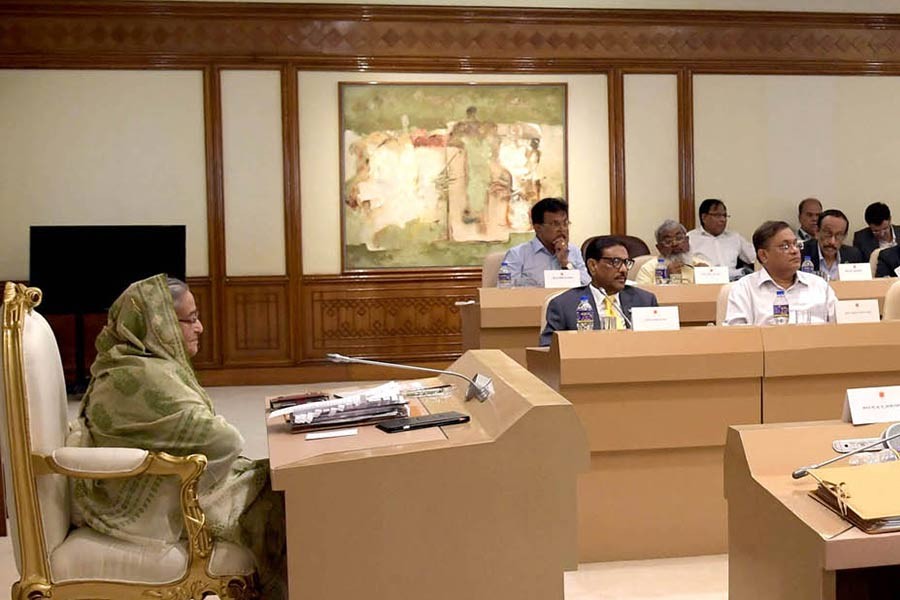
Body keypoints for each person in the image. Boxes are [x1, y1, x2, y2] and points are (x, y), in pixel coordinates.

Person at [67, 274, 287, 599]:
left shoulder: (123, 364)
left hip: (152, 484)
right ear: (160, 325)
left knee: (281, 481)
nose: (200, 328)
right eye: (192, 319)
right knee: (287, 501)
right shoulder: (142, 378)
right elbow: (225, 441)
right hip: (149, 508)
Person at [540, 236, 658, 345]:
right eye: (616, 262)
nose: (623, 269)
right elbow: (548, 351)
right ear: (592, 265)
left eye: (626, 263)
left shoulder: (645, 301)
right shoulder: (564, 305)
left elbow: (659, 343)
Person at [725, 221, 836, 326]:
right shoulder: (745, 289)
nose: (795, 251)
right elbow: (737, 335)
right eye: (785, 246)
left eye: (796, 244)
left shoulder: (819, 285)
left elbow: (841, 324)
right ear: (763, 255)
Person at [501, 197, 590, 286]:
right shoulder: (518, 254)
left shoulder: (573, 251)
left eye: (565, 223)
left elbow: (587, 285)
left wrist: (565, 263)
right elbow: (505, 290)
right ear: (538, 228)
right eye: (555, 224)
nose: (562, 229)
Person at [687, 198, 755, 280]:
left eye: (725, 215)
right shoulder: (690, 238)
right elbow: (683, 267)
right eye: (718, 215)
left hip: (733, 284)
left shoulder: (735, 237)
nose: (723, 220)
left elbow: (755, 258)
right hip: (704, 284)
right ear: (704, 217)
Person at [635, 219, 710, 284]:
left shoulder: (702, 266)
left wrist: (707, 276)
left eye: (679, 238)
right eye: (668, 241)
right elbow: (642, 298)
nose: (675, 243)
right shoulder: (647, 269)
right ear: (659, 248)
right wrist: (665, 277)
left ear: (687, 240)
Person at [799, 209, 863, 280]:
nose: (832, 242)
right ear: (817, 232)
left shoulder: (853, 255)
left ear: (845, 236)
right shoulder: (801, 253)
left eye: (838, 235)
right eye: (828, 233)